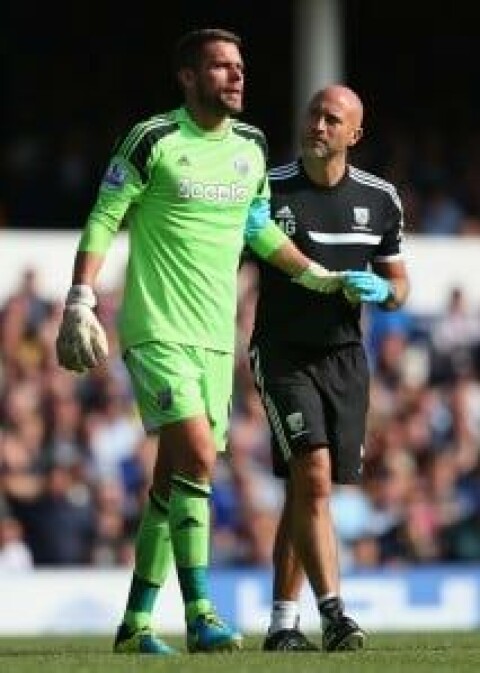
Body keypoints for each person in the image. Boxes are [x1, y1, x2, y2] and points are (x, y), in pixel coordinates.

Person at [55, 29, 345, 656]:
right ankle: (201, 614)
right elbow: (106, 215)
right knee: (196, 454)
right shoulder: (153, 138)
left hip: (217, 341)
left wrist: (316, 274)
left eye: (239, 67)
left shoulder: (251, 146)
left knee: (174, 480)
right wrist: (81, 296)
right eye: (220, 67)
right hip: (157, 328)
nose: (236, 77)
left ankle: (135, 624)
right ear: (188, 77)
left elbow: (259, 229)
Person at [248, 84, 410, 651]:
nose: (318, 124)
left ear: (353, 135)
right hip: (283, 352)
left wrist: (385, 294)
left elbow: (399, 285)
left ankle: (281, 625)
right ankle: (335, 613)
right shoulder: (268, 187)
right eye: (313, 113)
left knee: (308, 491)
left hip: (345, 357)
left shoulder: (381, 198)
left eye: (331, 119)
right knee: (312, 475)